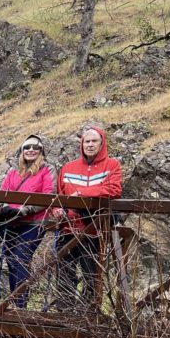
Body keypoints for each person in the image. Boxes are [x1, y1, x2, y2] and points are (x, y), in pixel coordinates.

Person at [53, 125, 122, 307]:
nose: (90, 145)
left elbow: (114, 190)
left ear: (102, 144)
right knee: (64, 271)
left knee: (91, 273)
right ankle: (64, 312)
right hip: (68, 228)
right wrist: (57, 211)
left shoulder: (112, 165)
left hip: (93, 230)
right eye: (86, 141)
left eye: (94, 141)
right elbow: (59, 197)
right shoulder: (68, 168)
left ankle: (87, 314)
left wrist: (84, 193)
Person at [0, 134, 54, 308]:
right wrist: (6, 208)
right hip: (13, 221)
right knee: (9, 258)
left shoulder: (47, 169)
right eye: (26, 147)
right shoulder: (14, 172)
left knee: (21, 257)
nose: (30, 150)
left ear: (41, 151)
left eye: (35, 147)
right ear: (21, 151)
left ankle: (20, 305)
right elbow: (3, 192)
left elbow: (48, 194)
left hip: (34, 222)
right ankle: (16, 301)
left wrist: (25, 209)